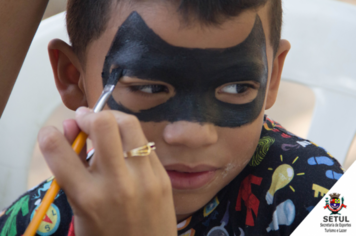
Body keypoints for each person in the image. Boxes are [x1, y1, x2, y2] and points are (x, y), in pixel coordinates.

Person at [0, 0, 344, 235]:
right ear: (73, 76)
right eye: (150, 88)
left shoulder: (319, 195)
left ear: (273, 76)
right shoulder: (41, 221)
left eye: (237, 87)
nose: (194, 134)